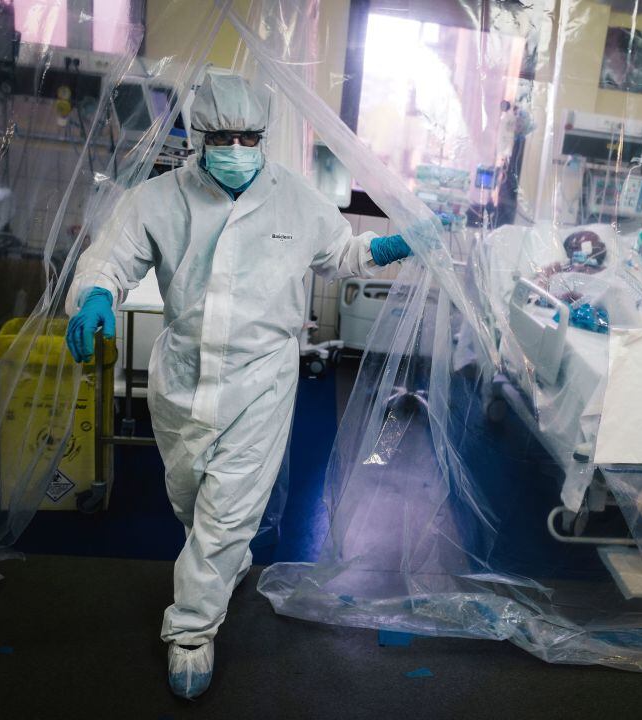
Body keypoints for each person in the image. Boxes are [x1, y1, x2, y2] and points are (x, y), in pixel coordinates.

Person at [64, 70, 411, 699]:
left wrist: (390, 245)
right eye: (223, 135)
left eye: (248, 135)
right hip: (182, 377)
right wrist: (93, 295)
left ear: (264, 136)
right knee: (191, 497)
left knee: (226, 514)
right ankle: (223, 563)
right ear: (198, 136)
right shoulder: (158, 200)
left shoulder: (294, 199)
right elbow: (110, 259)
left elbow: (342, 253)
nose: (236, 147)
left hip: (261, 380)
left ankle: (192, 631)